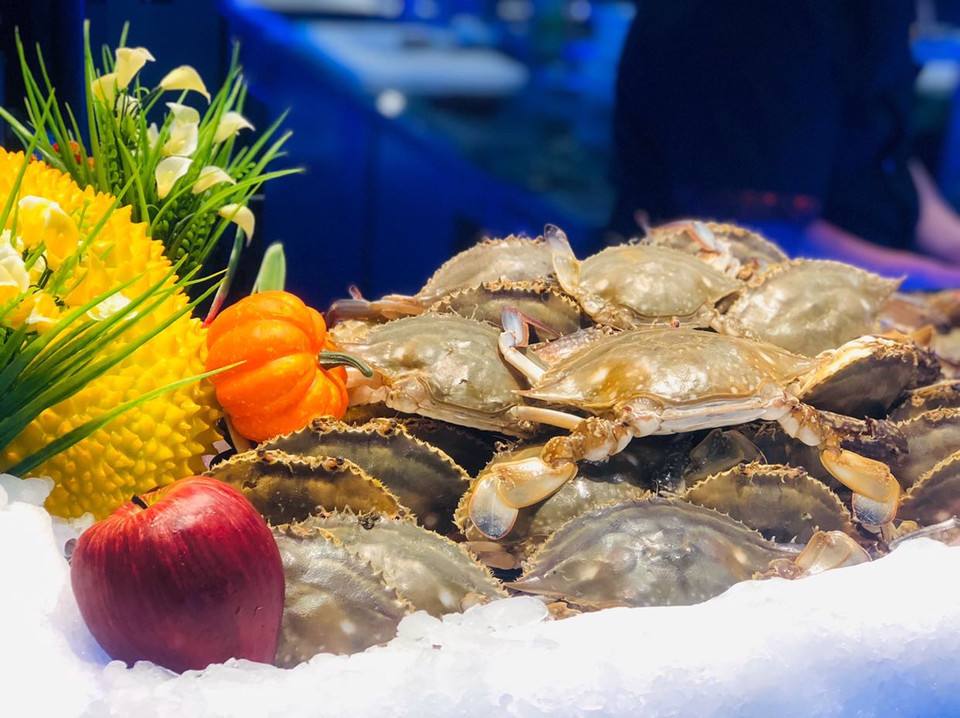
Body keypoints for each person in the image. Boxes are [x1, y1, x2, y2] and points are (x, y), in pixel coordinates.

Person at [608, 0, 960, 289]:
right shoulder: (763, 17)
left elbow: (881, 153)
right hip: (713, 296)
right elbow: (755, 233)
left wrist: (952, 245)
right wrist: (941, 279)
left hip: (866, 285)